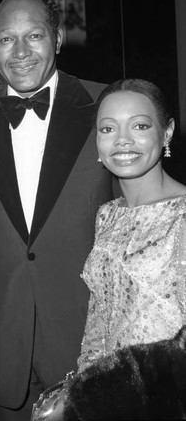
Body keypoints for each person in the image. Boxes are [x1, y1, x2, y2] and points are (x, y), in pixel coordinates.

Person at [0, 0, 114, 420]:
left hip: (91, 343)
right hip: (4, 350)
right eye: (6, 39)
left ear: (57, 39)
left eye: (34, 35)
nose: (20, 52)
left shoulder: (106, 108)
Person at [77, 78, 186, 370]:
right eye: (108, 129)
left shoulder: (183, 215)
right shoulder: (107, 216)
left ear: (167, 133)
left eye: (139, 126)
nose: (122, 140)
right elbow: (99, 320)